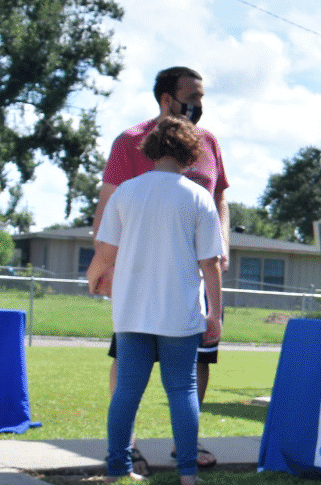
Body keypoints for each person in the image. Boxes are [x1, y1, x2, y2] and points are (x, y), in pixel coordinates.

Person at [92, 66, 230, 471]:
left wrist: (220, 246)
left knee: (194, 369)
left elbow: (219, 198)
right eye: (193, 96)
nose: (199, 106)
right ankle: (131, 449)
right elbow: (108, 210)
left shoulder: (210, 142)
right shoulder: (129, 140)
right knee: (149, 376)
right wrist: (104, 267)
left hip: (192, 277)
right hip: (138, 279)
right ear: (167, 97)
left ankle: (171, 451)